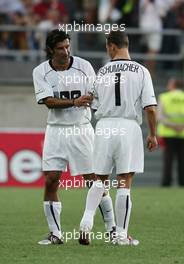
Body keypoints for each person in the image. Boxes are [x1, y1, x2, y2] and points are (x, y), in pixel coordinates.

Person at [32, 29, 115, 245]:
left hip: (81, 128)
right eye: (61, 48)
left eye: (68, 46)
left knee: (94, 181)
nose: (66, 51)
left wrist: (92, 102)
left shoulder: (84, 66)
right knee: (51, 180)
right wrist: (75, 101)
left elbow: (95, 95)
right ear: (51, 50)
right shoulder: (40, 71)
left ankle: (112, 229)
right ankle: (55, 234)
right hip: (56, 130)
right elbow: (48, 101)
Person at [79, 30, 158, 246]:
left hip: (104, 126)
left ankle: (86, 221)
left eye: (107, 46)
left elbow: (91, 102)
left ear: (112, 46)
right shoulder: (141, 71)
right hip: (128, 126)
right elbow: (150, 108)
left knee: (99, 179)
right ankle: (121, 236)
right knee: (124, 181)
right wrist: (152, 134)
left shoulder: (102, 71)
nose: (107, 50)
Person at [157, 78, 184, 186]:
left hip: (167, 133)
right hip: (182, 133)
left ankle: (166, 183)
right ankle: (182, 183)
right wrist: (180, 126)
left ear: (173, 85)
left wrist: (173, 126)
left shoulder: (164, 97)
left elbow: (159, 117)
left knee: (168, 161)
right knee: (182, 161)